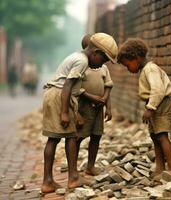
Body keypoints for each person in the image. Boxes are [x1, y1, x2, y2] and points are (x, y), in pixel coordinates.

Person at [41, 33, 118, 193]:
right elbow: (68, 86)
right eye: (103, 60)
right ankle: (61, 180)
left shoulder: (78, 57)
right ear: (95, 53)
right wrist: (64, 112)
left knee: (64, 137)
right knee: (60, 138)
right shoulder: (82, 61)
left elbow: (72, 88)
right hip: (59, 96)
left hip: (59, 96)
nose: (101, 64)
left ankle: (60, 179)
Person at [117, 38, 171, 176]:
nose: (128, 69)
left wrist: (150, 108)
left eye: (128, 65)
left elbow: (158, 89)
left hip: (159, 105)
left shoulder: (150, 69)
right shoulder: (145, 70)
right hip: (155, 104)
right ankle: (160, 168)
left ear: (136, 58)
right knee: (155, 137)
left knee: (162, 136)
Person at [76, 34, 113, 176]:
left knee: (96, 136)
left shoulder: (103, 68)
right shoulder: (83, 66)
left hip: (99, 108)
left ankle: (90, 166)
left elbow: (108, 86)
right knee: (79, 136)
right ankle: (73, 167)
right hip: (84, 107)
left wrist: (107, 106)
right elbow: (76, 89)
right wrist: (89, 99)